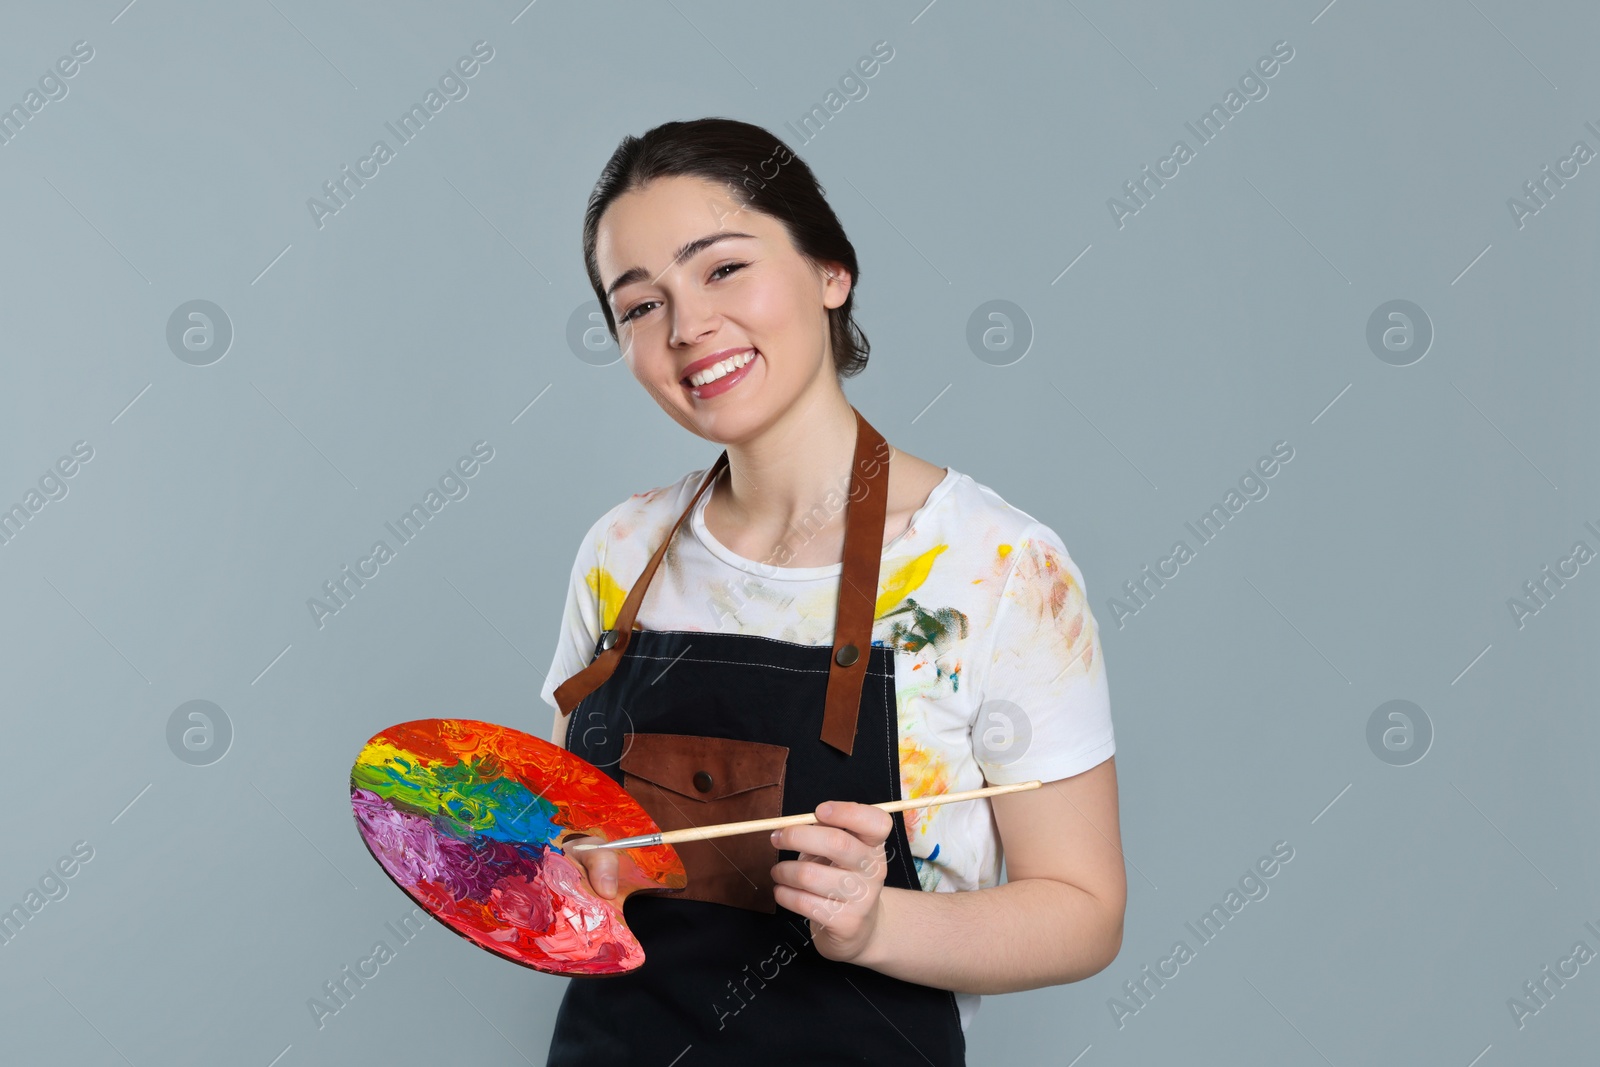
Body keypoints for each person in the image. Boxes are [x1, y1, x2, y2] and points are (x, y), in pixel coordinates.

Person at [539, 117, 1125, 1066]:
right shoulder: (620, 552)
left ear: (829, 271)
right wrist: (557, 868)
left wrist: (875, 925)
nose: (688, 327)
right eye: (640, 305)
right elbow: (568, 843)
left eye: (722, 268)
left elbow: (1085, 911)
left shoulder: (997, 567)